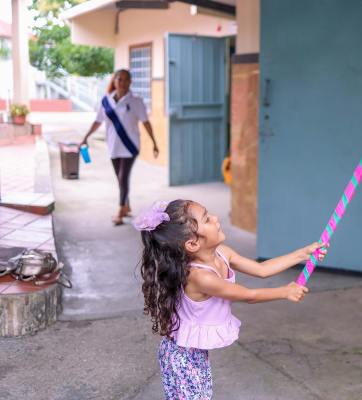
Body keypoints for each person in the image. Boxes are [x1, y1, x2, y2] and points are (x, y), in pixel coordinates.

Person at [135, 199, 327, 399]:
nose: (216, 218)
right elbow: (248, 295)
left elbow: (262, 270)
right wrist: (284, 291)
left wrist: (302, 254)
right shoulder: (201, 277)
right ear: (192, 243)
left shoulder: (222, 253)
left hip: (194, 350)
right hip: (181, 355)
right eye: (207, 219)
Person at [80, 69, 160, 225]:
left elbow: (146, 123)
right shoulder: (106, 101)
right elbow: (98, 121)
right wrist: (85, 137)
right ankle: (127, 205)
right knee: (120, 178)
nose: (122, 83)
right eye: (119, 79)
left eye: (126, 80)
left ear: (130, 82)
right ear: (114, 81)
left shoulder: (136, 102)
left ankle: (120, 210)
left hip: (130, 147)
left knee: (123, 177)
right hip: (113, 146)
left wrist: (154, 143)